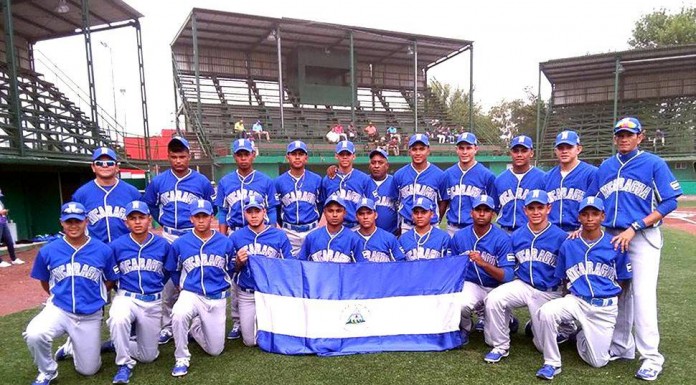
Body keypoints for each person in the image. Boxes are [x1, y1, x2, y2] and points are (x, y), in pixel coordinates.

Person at [598, 117, 682, 381]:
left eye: (629, 134)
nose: (624, 138)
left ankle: (651, 358)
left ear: (640, 137)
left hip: (642, 236)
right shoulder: (606, 166)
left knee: (643, 296)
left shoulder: (654, 163)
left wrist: (636, 225)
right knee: (619, 294)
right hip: (612, 236)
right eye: (620, 134)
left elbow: (669, 202)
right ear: (615, 138)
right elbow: (596, 201)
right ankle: (622, 346)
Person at [534, 196, 632, 380]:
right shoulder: (569, 243)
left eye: (595, 214)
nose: (589, 218)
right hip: (576, 301)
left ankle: (580, 336)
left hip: (603, 308)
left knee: (598, 362)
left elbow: (623, 280)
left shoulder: (615, 244)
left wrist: (610, 300)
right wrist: (565, 306)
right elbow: (564, 279)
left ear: (603, 216)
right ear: (579, 218)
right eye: (585, 214)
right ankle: (551, 363)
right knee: (547, 312)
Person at [23, 202, 118, 385]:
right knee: (35, 333)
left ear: (86, 221)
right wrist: (59, 295)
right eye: (69, 221)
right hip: (60, 309)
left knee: (89, 370)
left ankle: (69, 348)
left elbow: (110, 278)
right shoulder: (48, 250)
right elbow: (45, 280)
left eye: (78, 221)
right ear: (62, 223)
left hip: (89, 314)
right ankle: (48, 372)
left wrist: (96, 295)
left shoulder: (102, 250)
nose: (73, 226)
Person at [142, 136, 215, 345]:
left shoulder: (201, 181)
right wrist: (162, 221)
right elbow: (151, 206)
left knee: (198, 277)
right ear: (168, 157)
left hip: (193, 234)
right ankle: (167, 326)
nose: (178, 161)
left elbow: (212, 208)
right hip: (170, 235)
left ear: (189, 156)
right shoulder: (158, 181)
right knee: (168, 282)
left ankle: (198, 324)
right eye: (174, 156)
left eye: (182, 156)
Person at [482, 190, 567, 363]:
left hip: (549, 292)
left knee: (541, 346)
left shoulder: (561, 237)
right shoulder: (517, 235)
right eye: (531, 208)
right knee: (493, 299)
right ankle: (501, 345)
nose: (536, 212)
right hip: (524, 285)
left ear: (548, 208)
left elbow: (567, 273)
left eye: (540, 207)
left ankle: (555, 326)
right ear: (525, 210)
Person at [216, 138, 278, 339]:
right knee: (237, 276)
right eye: (239, 154)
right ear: (234, 156)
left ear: (253, 155)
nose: (243, 158)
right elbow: (222, 211)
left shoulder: (265, 181)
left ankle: (267, 316)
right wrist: (223, 236)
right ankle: (237, 321)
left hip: (262, 231)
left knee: (264, 272)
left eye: (246, 153)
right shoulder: (226, 181)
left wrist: (272, 232)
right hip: (236, 231)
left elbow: (273, 210)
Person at [166, 199, 235, 377]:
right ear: (191, 219)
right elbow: (174, 269)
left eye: (205, 216)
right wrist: (180, 286)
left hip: (216, 296)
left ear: (212, 217)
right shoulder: (180, 243)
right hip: (191, 293)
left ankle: (195, 326)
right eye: (197, 216)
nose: (201, 220)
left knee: (215, 350)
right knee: (179, 313)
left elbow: (231, 269)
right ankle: (181, 357)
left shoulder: (225, 242)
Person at [107, 201, 171, 384]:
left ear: (149, 219)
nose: (137, 222)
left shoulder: (163, 245)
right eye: (132, 218)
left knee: (148, 356)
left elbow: (168, 271)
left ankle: (116, 343)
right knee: (118, 317)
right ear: (126, 222)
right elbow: (111, 274)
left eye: (141, 217)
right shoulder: (116, 246)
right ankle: (123, 364)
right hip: (126, 298)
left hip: (152, 302)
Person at [450, 195, 514, 345]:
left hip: (495, 288)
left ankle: (505, 317)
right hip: (472, 284)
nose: (482, 213)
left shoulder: (502, 238)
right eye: (478, 209)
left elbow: (508, 276)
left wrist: (484, 263)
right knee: (460, 304)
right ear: (471, 212)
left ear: (493, 214)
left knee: (492, 341)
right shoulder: (460, 236)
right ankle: (465, 327)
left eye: (486, 210)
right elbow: (451, 266)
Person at [229, 194, 292, 346]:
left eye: (257, 211)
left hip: (270, 293)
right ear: (245, 214)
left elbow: (288, 266)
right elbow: (230, 270)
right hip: (247, 293)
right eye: (250, 212)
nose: (254, 215)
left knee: (279, 334)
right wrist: (238, 262)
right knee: (250, 342)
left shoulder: (279, 235)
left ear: (264, 212)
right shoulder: (236, 237)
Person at [72, 147, 141, 243]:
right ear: (93, 167)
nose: (105, 166)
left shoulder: (132, 192)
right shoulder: (81, 194)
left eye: (110, 163)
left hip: (126, 248)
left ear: (117, 167)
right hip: (95, 249)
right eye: (99, 163)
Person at [442, 133, 497, 236]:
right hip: (452, 228)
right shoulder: (448, 174)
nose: (465, 152)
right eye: (461, 148)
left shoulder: (487, 175)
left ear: (476, 149)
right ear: (456, 149)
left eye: (468, 148)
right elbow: (444, 202)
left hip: (476, 229)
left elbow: (493, 206)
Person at [275, 141, 323, 256]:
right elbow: (274, 209)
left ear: (306, 158)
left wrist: (319, 228)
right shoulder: (278, 182)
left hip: (312, 229)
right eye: (293, 154)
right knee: (290, 267)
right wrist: (279, 229)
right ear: (287, 157)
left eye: (301, 154)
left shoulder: (317, 180)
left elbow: (323, 206)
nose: (297, 157)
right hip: (289, 231)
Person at [545, 130, 598, 232]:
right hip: (552, 232)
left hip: (580, 231)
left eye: (569, 147)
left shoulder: (591, 173)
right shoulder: (547, 176)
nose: (564, 151)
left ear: (578, 149)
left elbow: (597, 206)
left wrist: (583, 229)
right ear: (555, 151)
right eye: (560, 148)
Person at [394, 134, 447, 235]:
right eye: (414, 149)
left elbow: (443, 201)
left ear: (428, 150)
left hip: (431, 226)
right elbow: (396, 201)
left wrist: (435, 218)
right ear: (409, 151)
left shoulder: (439, 175)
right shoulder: (399, 175)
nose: (418, 153)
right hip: (407, 226)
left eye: (421, 149)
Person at [494, 135, 546, 232]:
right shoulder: (500, 179)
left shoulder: (543, 178)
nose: (519, 154)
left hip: (532, 231)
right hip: (506, 231)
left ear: (531, 153)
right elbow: (495, 207)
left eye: (524, 150)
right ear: (511, 153)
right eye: (516, 151)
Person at [297, 195, 364, 262]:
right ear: (325, 212)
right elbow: (301, 265)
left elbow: (362, 267)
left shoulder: (354, 239)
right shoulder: (312, 237)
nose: (334, 215)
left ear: (344, 213)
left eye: (338, 211)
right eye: (330, 211)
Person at [321, 141, 371, 230]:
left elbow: (369, 205)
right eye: (341, 154)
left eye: (348, 154)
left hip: (356, 227)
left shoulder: (364, 178)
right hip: (334, 227)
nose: (345, 157)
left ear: (354, 156)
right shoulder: (328, 179)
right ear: (336, 156)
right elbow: (323, 205)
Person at [398, 196, 451, 260]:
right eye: (416, 212)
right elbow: (400, 266)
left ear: (432, 214)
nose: (419, 216)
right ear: (412, 215)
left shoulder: (443, 237)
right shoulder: (403, 239)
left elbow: (448, 264)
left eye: (424, 212)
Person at [355, 197, 405, 262]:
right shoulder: (351, 239)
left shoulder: (389, 238)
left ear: (375, 215)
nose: (365, 217)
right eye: (361, 214)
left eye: (369, 213)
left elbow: (401, 264)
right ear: (356, 217)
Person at [367, 149, 399, 235]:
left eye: (380, 163)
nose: (376, 166)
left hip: (391, 235)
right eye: (373, 162)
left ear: (387, 165)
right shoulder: (363, 181)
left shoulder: (395, 182)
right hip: (365, 237)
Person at [0, 188, 23, 267]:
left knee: (9, 241)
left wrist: (4, 214)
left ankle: (14, 259)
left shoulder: (0, 202)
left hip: (2, 222)